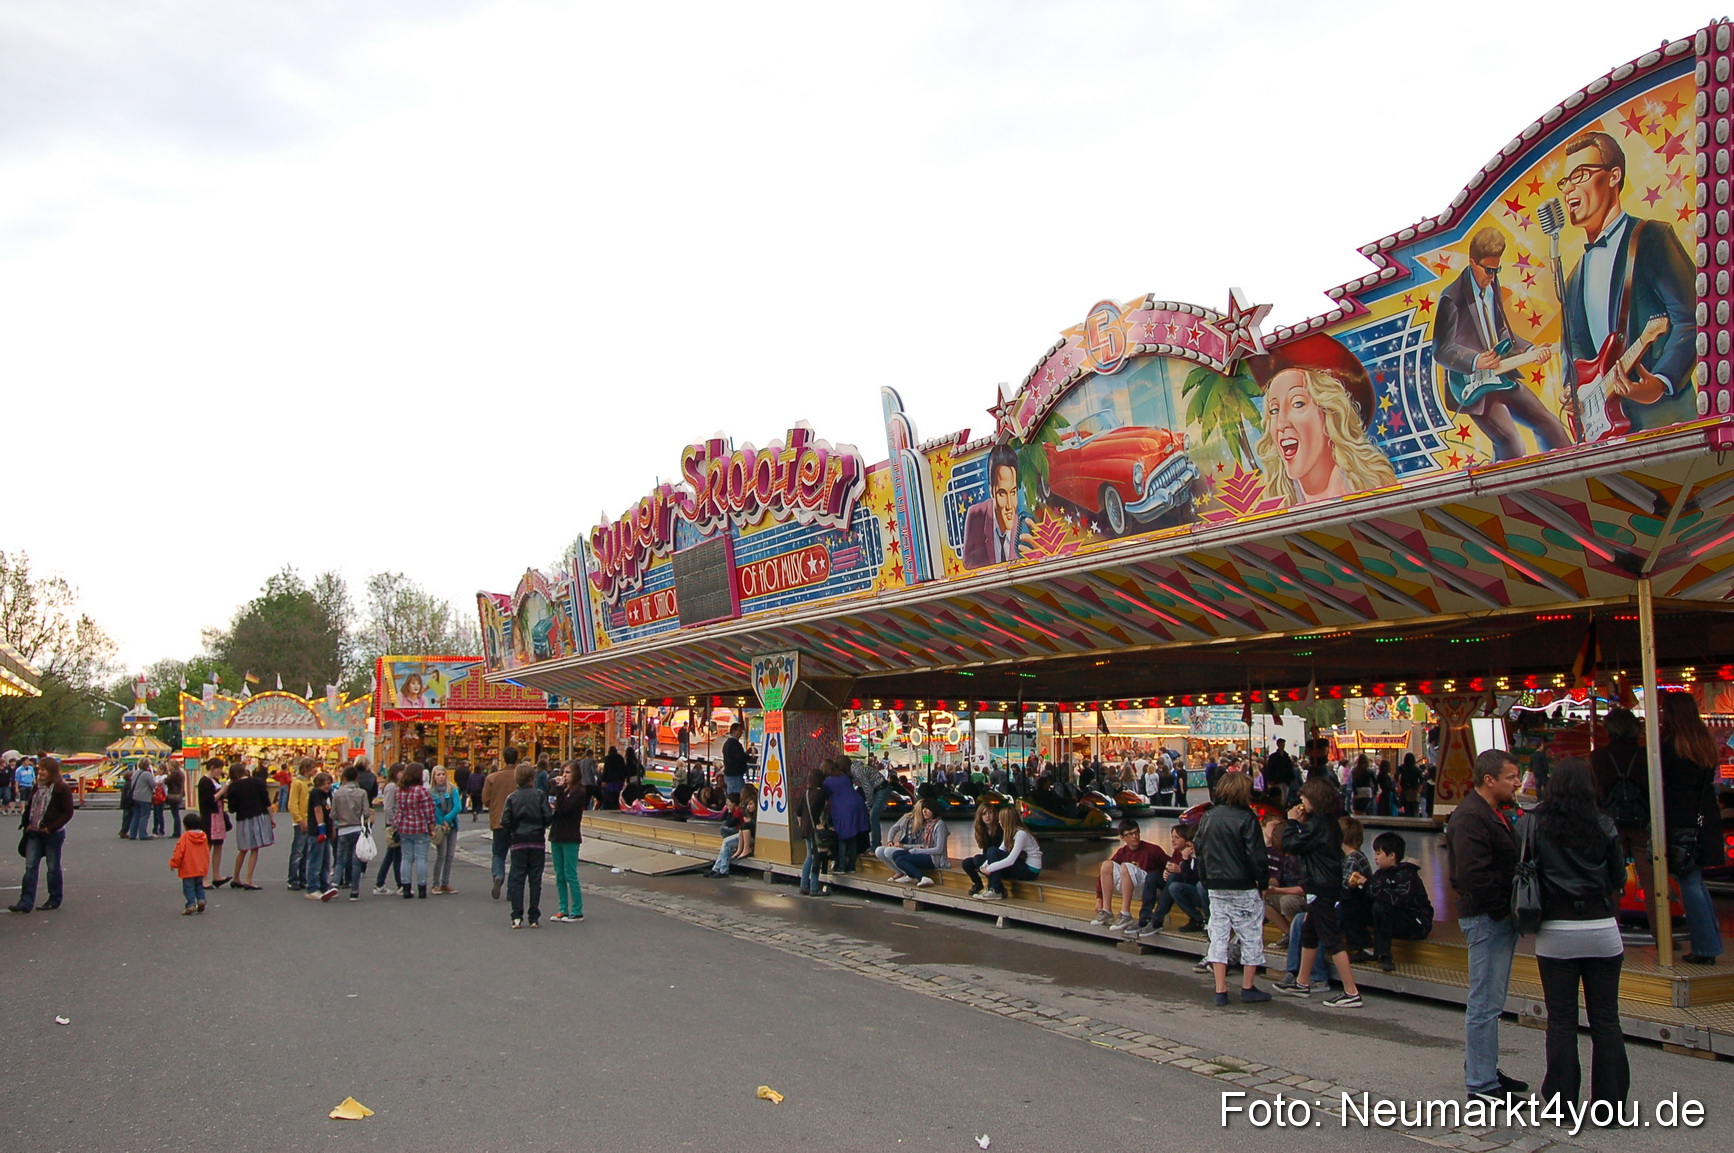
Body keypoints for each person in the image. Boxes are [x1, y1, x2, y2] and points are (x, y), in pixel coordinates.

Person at [1557, 130, 1697, 437]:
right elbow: (1574, 345)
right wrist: (1573, 388)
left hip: (1666, 421)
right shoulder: (1574, 275)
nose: (1569, 189)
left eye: (1580, 175)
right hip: (1604, 427)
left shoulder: (1652, 238)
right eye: (1565, 181)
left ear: (1613, 176)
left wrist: (1660, 381)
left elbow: (1692, 319)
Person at [1527, 757, 1629, 1106]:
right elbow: (1618, 877)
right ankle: (1611, 1104)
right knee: (1606, 1020)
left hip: (1555, 929)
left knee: (1561, 1021)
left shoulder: (1537, 824)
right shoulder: (1605, 824)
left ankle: (1562, 1102)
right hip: (1601, 928)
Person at [1432, 225, 1570, 460]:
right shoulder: (1451, 297)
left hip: (1499, 375)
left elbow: (1501, 332)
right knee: (1511, 442)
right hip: (1471, 386)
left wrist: (1531, 350)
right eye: (1487, 269)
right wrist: (1476, 361)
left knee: (1551, 425)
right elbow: (1441, 350)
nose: (1492, 276)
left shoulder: (1492, 285)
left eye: (1496, 269)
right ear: (1472, 261)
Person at [1447, 748, 1529, 1105]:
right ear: (1489, 779)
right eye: (1511, 777)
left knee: (1492, 999)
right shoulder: (1471, 818)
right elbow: (1471, 874)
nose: (1517, 783)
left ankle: (1484, 1066)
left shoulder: (1489, 813)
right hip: (1486, 916)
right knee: (1484, 1000)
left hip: (1492, 915)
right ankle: (1480, 1082)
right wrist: (1501, 909)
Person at [1250, 335, 1399, 506]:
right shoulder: (1276, 502)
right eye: (1274, 410)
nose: (1281, 423)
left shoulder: (1373, 487)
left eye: (1298, 403)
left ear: (1331, 414)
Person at [1274, 778, 1363, 1008]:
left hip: (1321, 887)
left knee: (1331, 939)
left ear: (1313, 799)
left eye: (1304, 797)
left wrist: (1293, 822)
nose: (1300, 801)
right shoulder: (1327, 823)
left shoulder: (1316, 825)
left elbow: (1292, 844)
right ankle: (1303, 982)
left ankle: (1351, 991)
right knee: (1310, 934)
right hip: (1324, 885)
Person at [1658, 690, 1726, 964]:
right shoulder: (1703, 743)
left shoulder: (1670, 744)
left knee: (1690, 882)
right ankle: (1709, 941)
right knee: (1696, 882)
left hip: (1681, 821)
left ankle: (1706, 946)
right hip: (1704, 819)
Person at [1194, 769, 1270, 1004]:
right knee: (1250, 934)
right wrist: (1263, 882)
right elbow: (1256, 855)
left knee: (1218, 935)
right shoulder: (1247, 818)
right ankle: (1248, 986)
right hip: (1243, 883)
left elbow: (1200, 849)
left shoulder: (1208, 816)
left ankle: (1220, 989)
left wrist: (1205, 878)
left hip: (1216, 884)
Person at [1588, 708, 1656, 939]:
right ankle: (1660, 933)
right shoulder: (1646, 755)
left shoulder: (1599, 757)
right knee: (1651, 880)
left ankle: (1611, 933)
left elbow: (1595, 790)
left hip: (1611, 822)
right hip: (1642, 821)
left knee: (1611, 880)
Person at [9, 756, 73, 914]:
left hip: (52, 833)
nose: (40, 772)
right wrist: (27, 824)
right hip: (34, 832)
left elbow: (68, 812)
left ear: (52, 771)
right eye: (39, 769)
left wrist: (51, 828)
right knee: (30, 867)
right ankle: (25, 901)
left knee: (52, 867)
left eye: (44, 769)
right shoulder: (37, 786)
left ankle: (54, 899)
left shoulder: (61, 788)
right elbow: (31, 806)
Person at [1364, 832, 1433, 972]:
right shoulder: (1380, 874)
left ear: (1392, 855)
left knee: (1382, 906)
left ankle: (1384, 954)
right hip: (1394, 919)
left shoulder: (1408, 875)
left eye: (1378, 853)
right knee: (1358, 902)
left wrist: (1368, 885)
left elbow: (1398, 899)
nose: (1375, 858)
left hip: (1414, 923)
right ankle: (1360, 945)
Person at [1127, 824, 1206, 937]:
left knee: (1174, 879)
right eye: (1172, 837)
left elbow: (1194, 877)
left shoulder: (1196, 855)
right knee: (1152, 877)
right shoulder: (1177, 852)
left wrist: (1181, 868)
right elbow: (1168, 865)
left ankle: (1157, 920)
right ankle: (1145, 917)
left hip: (1188, 885)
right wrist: (1166, 871)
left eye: (1177, 837)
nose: (1172, 840)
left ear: (1186, 839)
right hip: (1174, 883)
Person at [962, 444, 1031, 568]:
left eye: (1013, 492)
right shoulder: (976, 516)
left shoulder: (1026, 526)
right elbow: (968, 565)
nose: (1010, 505)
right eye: (1002, 493)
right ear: (991, 491)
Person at [500, 762, 551, 928]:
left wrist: (513, 830)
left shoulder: (512, 797)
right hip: (536, 839)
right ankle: (534, 915)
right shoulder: (540, 795)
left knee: (518, 878)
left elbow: (505, 820)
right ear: (532, 778)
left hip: (518, 840)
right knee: (535, 879)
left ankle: (516, 915)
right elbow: (548, 817)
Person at [1093, 819, 1168, 929]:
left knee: (1126, 867)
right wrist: (1099, 898)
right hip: (1131, 887)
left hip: (1149, 889)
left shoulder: (1152, 850)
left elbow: (1169, 863)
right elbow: (1104, 874)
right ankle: (1107, 911)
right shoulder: (1122, 852)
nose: (1134, 837)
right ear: (1123, 838)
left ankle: (1125, 914)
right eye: (1130, 834)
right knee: (1107, 865)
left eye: (1136, 832)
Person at [968, 803, 1041, 900]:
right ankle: (993, 888)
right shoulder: (1009, 833)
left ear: (1006, 821)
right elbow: (1001, 850)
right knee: (980, 858)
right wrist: (984, 865)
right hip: (1020, 866)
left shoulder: (1021, 834)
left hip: (1030, 870)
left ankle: (995, 889)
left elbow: (1011, 860)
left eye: (1000, 819)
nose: (998, 822)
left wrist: (989, 869)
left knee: (993, 851)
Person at [226, 761, 275, 890]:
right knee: (255, 848)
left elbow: (232, 808)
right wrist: (272, 818)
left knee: (243, 849)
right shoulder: (257, 782)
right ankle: (248, 879)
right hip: (259, 816)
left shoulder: (233, 787)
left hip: (242, 819)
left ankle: (236, 877)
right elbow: (266, 801)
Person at [548, 762, 586, 921]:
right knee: (559, 874)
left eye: (568, 772)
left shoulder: (580, 793)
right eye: (563, 772)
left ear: (575, 774)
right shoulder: (562, 791)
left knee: (570, 874)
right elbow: (554, 806)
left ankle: (577, 909)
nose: (564, 775)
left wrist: (558, 793)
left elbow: (565, 809)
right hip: (556, 834)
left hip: (570, 836)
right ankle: (562, 908)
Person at [482, 751, 520, 899]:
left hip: (498, 820)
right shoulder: (520, 776)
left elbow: (485, 799)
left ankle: (498, 875)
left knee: (498, 853)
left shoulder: (492, 777)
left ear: (503, 759)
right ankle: (512, 889)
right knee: (516, 857)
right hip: (517, 822)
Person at [1261, 814, 1304, 946]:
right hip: (1286, 891)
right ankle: (1289, 934)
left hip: (1304, 896)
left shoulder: (1297, 858)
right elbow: (1277, 879)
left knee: (1287, 902)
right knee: (1260, 896)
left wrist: (1275, 889)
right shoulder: (1285, 855)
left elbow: (1304, 888)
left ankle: (1299, 938)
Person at [394, 762, 435, 899]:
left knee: (406, 858)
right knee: (421, 858)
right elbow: (429, 811)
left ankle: (406, 886)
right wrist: (432, 827)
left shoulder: (400, 790)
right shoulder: (421, 791)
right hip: (420, 826)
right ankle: (421, 887)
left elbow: (398, 808)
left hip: (404, 827)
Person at [330, 764, 371, 901]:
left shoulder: (338, 793)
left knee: (340, 859)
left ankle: (335, 883)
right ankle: (354, 890)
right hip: (357, 828)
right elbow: (366, 813)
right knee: (355, 861)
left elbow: (333, 814)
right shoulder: (362, 793)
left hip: (342, 828)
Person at [888, 798, 949, 888]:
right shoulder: (928, 824)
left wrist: (917, 851)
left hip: (934, 858)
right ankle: (911, 875)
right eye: (923, 809)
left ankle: (922, 877)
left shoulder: (940, 825)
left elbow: (939, 849)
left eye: (927, 809)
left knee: (900, 860)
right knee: (896, 854)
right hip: (925, 852)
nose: (924, 811)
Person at [822, 760, 869, 873]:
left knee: (842, 837)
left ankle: (842, 866)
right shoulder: (844, 777)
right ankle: (851, 866)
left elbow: (826, 798)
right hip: (857, 804)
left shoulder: (827, 782)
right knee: (853, 837)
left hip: (843, 809)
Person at [1338, 816, 1374, 957]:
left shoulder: (1353, 859)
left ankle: (1360, 945)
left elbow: (1345, 886)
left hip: (1359, 905)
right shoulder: (1353, 856)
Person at [794, 766, 831, 896]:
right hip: (815, 830)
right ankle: (814, 888)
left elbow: (798, 812)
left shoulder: (806, 792)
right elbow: (817, 811)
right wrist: (818, 824)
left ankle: (804, 885)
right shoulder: (821, 793)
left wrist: (803, 825)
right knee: (816, 858)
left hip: (805, 828)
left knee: (809, 855)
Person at [709, 783, 759, 877]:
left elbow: (730, 822)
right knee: (725, 842)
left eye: (751, 804)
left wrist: (730, 812)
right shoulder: (746, 810)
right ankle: (717, 868)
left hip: (749, 837)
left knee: (726, 842)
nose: (749, 806)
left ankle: (722, 870)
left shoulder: (744, 810)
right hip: (743, 834)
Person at [168, 809, 211, 915]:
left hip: (188, 867)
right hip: (200, 866)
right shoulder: (203, 837)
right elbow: (206, 851)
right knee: (199, 885)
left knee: (188, 887)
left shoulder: (185, 837)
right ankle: (201, 900)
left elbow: (179, 852)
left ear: (185, 826)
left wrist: (174, 863)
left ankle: (191, 904)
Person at [372, 763, 405, 895]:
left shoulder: (394, 786)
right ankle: (399, 884)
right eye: (401, 772)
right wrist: (394, 822)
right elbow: (388, 807)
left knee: (392, 855)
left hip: (394, 823)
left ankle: (381, 883)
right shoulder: (392, 787)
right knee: (395, 854)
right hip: (393, 824)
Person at [197, 758, 230, 888]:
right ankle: (203, 877)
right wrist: (222, 790)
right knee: (207, 847)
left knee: (218, 845)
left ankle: (216, 875)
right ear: (212, 768)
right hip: (209, 816)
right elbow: (210, 800)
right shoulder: (204, 782)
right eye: (219, 768)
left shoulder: (214, 781)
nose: (221, 771)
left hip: (218, 815)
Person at [430, 766, 462, 895]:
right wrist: (436, 823)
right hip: (439, 827)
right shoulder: (430, 792)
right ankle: (435, 884)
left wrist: (447, 819)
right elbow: (431, 810)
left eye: (443, 774)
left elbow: (458, 806)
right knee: (441, 855)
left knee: (450, 855)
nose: (441, 777)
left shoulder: (453, 789)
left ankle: (445, 882)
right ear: (434, 777)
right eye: (438, 775)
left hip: (451, 825)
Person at [303, 771, 335, 901]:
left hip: (327, 829)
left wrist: (331, 829)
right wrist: (321, 827)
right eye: (325, 783)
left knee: (325, 860)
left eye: (329, 783)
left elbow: (331, 811)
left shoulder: (329, 794)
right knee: (315, 859)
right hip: (317, 831)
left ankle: (323, 885)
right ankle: (312, 887)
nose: (328, 786)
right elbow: (318, 810)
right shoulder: (316, 793)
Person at [285, 757, 315, 891]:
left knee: (306, 852)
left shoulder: (310, 783)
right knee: (298, 851)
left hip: (310, 821)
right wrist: (299, 820)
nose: (315, 770)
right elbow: (292, 804)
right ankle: (292, 879)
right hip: (301, 822)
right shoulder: (297, 783)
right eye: (313, 768)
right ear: (306, 769)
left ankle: (303, 878)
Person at [962, 803, 1003, 897]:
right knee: (966, 863)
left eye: (990, 813)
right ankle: (978, 884)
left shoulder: (1000, 828)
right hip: (987, 858)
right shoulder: (981, 830)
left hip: (998, 858)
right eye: (984, 814)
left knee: (977, 859)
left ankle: (996, 887)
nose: (987, 816)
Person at [126, 758, 158, 840]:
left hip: (135, 797)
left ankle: (132, 834)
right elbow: (153, 785)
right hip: (145, 798)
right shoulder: (147, 774)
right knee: (144, 816)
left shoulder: (135, 773)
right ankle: (142, 834)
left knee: (136, 816)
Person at [1263, 739, 1297, 806]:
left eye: (1283, 744)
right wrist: (1270, 779)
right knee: (1279, 796)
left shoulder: (1286, 756)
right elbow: (1270, 768)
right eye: (1281, 744)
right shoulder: (1273, 757)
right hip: (1277, 780)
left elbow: (1289, 768)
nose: (1282, 746)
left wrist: (1292, 777)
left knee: (1284, 797)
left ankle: (1282, 807)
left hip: (1285, 780)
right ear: (1278, 744)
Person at [601, 744, 629, 809]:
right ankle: (616, 806)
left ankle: (611, 807)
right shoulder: (620, 758)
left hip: (610, 781)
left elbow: (606, 771)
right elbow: (624, 769)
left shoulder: (608, 759)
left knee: (610, 795)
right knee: (617, 795)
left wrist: (603, 780)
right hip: (619, 781)